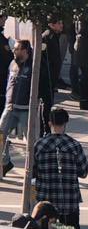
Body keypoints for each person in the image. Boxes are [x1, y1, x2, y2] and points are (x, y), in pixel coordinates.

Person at [32, 107, 88, 229]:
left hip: (46, 202)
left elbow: (33, 171)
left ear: (49, 123)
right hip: (70, 201)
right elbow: (84, 171)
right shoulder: (74, 145)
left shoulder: (39, 145)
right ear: (65, 123)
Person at [0, 39, 51, 173]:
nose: (14, 51)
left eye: (16, 49)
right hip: (10, 106)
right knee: (1, 134)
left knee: (32, 141)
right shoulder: (12, 63)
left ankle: (34, 169)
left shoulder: (35, 67)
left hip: (27, 109)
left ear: (25, 51)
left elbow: (44, 87)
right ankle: (4, 162)